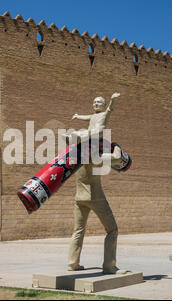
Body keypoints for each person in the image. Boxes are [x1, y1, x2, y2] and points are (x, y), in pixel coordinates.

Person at [67, 93, 127, 275]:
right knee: (112, 230)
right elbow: (117, 158)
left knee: (78, 231)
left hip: (79, 198)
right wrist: (115, 145)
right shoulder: (96, 157)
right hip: (95, 198)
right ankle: (109, 265)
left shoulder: (77, 156)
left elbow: (102, 116)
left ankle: (72, 263)